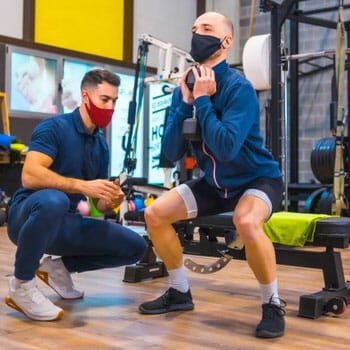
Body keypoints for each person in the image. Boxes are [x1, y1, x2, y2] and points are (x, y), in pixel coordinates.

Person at [139, 12, 286, 339]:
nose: (197, 34)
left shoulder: (238, 88)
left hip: (256, 180)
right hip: (214, 185)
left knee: (246, 222)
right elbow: (168, 153)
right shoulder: (184, 88)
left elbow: (225, 149)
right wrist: (184, 102)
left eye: (207, 29)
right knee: (154, 214)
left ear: (226, 41)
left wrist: (203, 100)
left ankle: (272, 304)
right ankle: (179, 292)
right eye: (194, 29)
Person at [5, 69, 148, 321]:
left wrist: (110, 200)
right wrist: (82, 186)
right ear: (85, 96)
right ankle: (22, 284)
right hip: (26, 216)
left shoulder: (100, 145)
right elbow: (30, 175)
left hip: (65, 223)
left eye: (114, 101)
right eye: (105, 99)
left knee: (136, 247)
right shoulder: (55, 127)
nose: (111, 107)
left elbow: (98, 206)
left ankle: (57, 268)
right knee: (55, 199)